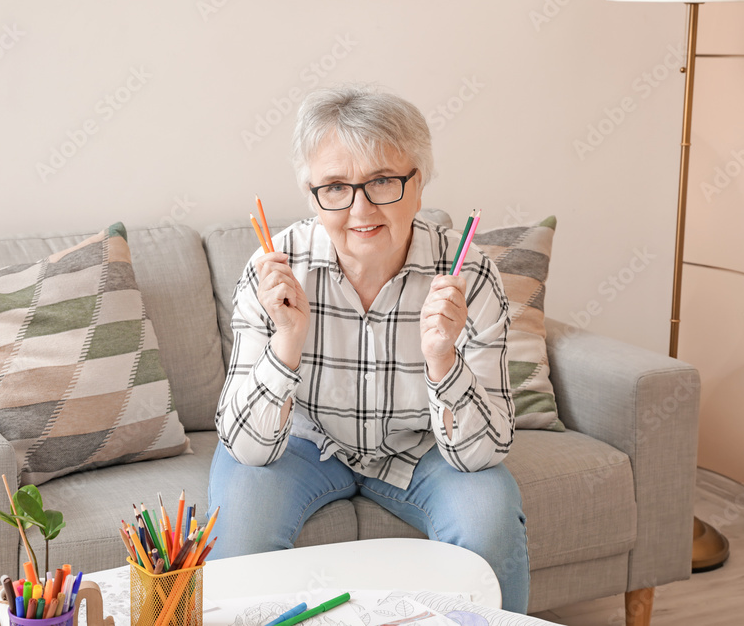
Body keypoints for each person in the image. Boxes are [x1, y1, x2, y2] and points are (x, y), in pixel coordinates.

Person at [207, 85, 530, 613]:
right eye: (334, 186)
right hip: (302, 442)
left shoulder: (469, 275)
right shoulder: (275, 269)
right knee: (240, 518)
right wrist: (287, 342)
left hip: (424, 447)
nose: (360, 208)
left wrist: (444, 360)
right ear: (311, 192)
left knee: (490, 516)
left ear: (417, 184)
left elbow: (484, 453)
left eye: (382, 181)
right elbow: (247, 448)